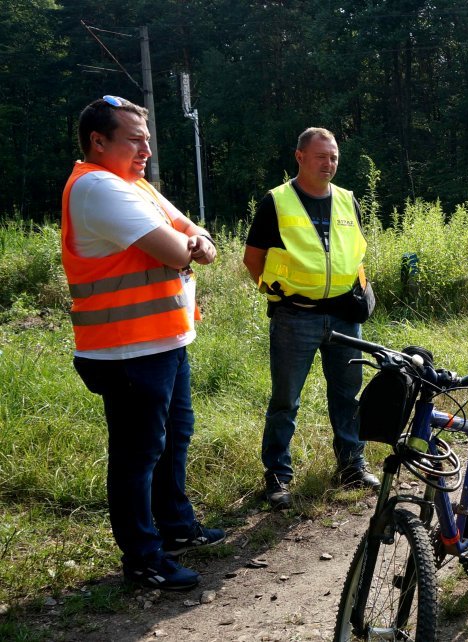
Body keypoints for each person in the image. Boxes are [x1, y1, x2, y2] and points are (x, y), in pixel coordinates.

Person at [61, 96, 225, 591]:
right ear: (98, 141)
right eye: (135, 140)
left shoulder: (136, 186)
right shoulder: (97, 187)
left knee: (174, 438)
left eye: (147, 140)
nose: (146, 150)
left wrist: (193, 240)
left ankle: (175, 527)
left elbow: (197, 236)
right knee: (138, 456)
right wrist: (188, 244)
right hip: (126, 352)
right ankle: (143, 558)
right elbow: (178, 248)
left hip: (163, 342)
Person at [243, 127, 379, 510]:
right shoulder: (276, 202)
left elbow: (354, 253)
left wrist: (360, 293)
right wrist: (277, 292)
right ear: (300, 157)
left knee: (348, 395)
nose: (328, 163)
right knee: (285, 400)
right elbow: (253, 259)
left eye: (333, 157)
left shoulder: (348, 200)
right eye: (321, 156)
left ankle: (351, 466)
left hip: (344, 317)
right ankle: (277, 475)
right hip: (295, 317)